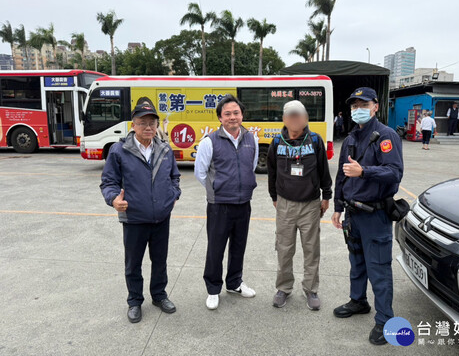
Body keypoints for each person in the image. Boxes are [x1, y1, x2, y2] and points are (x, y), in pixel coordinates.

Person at [331, 87, 404, 345]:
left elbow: (394, 173)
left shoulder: (386, 136)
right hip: (352, 213)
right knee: (357, 262)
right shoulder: (351, 138)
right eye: (353, 105)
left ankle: (385, 320)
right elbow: (341, 175)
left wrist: (364, 172)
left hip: (374, 215)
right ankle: (358, 301)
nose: (357, 109)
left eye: (363, 104)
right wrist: (338, 206)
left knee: (379, 268)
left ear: (375, 106)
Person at [100, 102, 181, 323]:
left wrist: (173, 196)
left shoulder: (164, 149)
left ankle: (159, 295)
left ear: (156, 125)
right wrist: (113, 199)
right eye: (142, 123)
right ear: (133, 125)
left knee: (160, 260)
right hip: (134, 218)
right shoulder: (120, 150)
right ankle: (135, 301)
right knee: (133, 263)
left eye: (152, 123)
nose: (148, 127)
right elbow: (108, 182)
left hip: (161, 218)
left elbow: (175, 177)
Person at [194, 94, 258, 310]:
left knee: (239, 246)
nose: (232, 117)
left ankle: (234, 283)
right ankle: (213, 289)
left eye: (236, 113)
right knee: (216, 249)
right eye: (227, 114)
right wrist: (217, 189)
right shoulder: (209, 142)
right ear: (220, 118)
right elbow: (200, 173)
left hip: (243, 203)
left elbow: (252, 165)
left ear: (242, 115)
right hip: (219, 205)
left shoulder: (252, 139)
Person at [267, 100, 332, 311]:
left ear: (305, 119)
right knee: (284, 249)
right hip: (285, 204)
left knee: (311, 249)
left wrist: (326, 196)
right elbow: (272, 172)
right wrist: (274, 197)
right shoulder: (277, 142)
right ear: (284, 119)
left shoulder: (314, 140)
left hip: (311, 204)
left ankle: (311, 289)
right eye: (291, 115)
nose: (295, 119)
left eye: (299, 115)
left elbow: (323, 171)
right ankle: (283, 288)